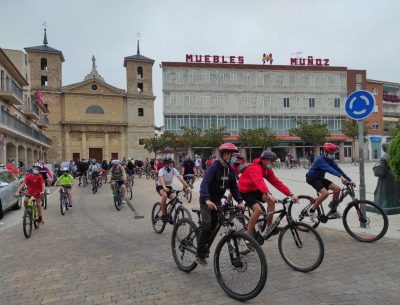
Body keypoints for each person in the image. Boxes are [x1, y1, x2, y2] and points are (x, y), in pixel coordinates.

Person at [195, 143, 244, 266]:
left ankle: (205, 244)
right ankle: (199, 254)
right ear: (223, 155)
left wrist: (240, 201)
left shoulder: (230, 170)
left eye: (233, 155)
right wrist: (206, 199)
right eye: (229, 154)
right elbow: (204, 184)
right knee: (206, 225)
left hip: (217, 202)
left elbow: (234, 187)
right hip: (206, 200)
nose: (232, 157)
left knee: (214, 226)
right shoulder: (214, 167)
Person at [239, 150, 299, 237]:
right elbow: (258, 181)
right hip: (245, 190)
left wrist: (290, 194)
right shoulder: (255, 168)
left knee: (271, 201)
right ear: (263, 160)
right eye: (270, 160)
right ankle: (248, 235)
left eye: (273, 161)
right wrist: (268, 193)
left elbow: (276, 182)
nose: (272, 163)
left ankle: (269, 227)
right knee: (258, 210)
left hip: (255, 189)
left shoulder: (267, 169)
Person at [305, 142, 355, 222]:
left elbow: (338, 170)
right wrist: (340, 177)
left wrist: (350, 180)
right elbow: (329, 169)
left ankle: (333, 210)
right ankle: (312, 211)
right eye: (331, 153)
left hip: (320, 178)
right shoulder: (320, 160)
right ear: (325, 152)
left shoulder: (330, 159)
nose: (332, 155)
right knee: (325, 193)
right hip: (312, 178)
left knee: (337, 189)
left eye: (333, 153)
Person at [156, 157, 191, 223]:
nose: (171, 164)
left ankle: (169, 212)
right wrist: (164, 187)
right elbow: (161, 179)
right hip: (160, 186)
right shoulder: (161, 170)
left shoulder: (173, 169)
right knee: (165, 196)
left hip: (168, 187)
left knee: (174, 198)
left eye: (172, 162)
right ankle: (164, 214)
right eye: (170, 163)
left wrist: (187, 187)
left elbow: (180, 178)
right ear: (165, 164)